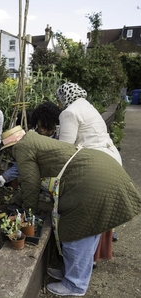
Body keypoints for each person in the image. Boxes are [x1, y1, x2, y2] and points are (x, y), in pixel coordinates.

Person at [0, 126, 141, 296]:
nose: (9, 155)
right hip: (100, 169)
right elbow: (35, 179)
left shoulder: (21, 147)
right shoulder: (33, 140)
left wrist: (28, 215)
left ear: (10, 148)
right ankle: (71, 273)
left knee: (76, 233)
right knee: (90, 231)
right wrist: (20, 199)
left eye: (7, 151)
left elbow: (30, 183)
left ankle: (75, 284)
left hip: (92, 181)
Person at [55, 82, 121, 260]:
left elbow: (65, 150)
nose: (59, 104)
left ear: (63, 98)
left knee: (86, 215)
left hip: (95, 166)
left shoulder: (69, 112)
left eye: (59, 101)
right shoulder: (88, 106)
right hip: (112, 159)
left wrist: (55, 180)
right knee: (100, 214)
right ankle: (92, 259)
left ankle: (83, 265)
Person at [0, 101, 61, 189]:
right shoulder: (33, 138)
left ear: (53, 125)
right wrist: (4, 177)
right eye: (39, 126)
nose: (41, 130)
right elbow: (24, 161)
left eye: (44, 126)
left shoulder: (61, 138)